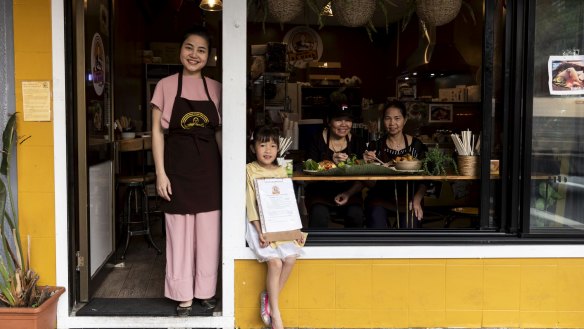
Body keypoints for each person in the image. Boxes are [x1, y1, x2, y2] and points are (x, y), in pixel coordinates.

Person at [151, 26, 222, 316]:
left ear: (209, 56)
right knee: (178, 233)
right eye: (189, 47)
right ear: (181, 50)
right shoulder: (166, 85)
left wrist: (228, 171)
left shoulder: (216, 87)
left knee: (208, 232)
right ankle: (183, 294)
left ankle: (205, 291)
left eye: (201, 50)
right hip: (176, 170)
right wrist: (160, 173)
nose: (194, 54)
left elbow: (220, 134)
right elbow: (156, 132)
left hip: (209, 172)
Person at [245, 125, 306, 329]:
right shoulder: (249, 169)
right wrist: (259, 230)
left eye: (273, 145)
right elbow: (250, 202)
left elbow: (288, 202)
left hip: (281, 223)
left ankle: (269, 300)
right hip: (258, 225)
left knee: (290, 258)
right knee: (275, 263)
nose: (268, 150)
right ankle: (276, 315)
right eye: (263, 145)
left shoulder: (281, 170)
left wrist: (296, 229)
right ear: (253, 147)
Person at [363, 100, 428, 229]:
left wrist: (417, 200)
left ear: (405, 120)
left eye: (397, 118)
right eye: (388, 119)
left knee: (409, 229)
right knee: (377, 224)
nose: (392, 123)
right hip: (380, 198)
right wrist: (366, 167)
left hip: (410, 198)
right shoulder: (375, 146)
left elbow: (426, 177)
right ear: (383, 121)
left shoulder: (417, 146)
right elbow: (370, 184)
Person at [304, 103, 366, 228]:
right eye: (338, 120)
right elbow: (308, 173)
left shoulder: (358, 141)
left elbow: (362, 178)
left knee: (356, 214)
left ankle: (353, 247)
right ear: (329, 121)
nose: (344, 124)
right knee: (319, 215)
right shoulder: (316, 140)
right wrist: (330, 163)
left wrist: (348, 193)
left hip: (350, 192)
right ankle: (318, 247)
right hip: (320, 193)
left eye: (348, 120)